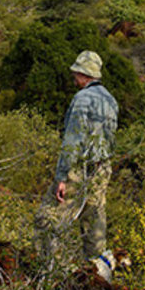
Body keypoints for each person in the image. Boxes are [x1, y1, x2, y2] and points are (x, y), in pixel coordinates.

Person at [33, 50, 119, 274]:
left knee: (47, 221)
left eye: (76, 73)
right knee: (94, 224)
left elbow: (73, 140)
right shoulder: (110, 99)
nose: (73, 77)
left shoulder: (82, 99)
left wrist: (62, 177)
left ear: (84, 74)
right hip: (102, 168)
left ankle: (53, 276)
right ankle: (98, 275)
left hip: (79, 170)